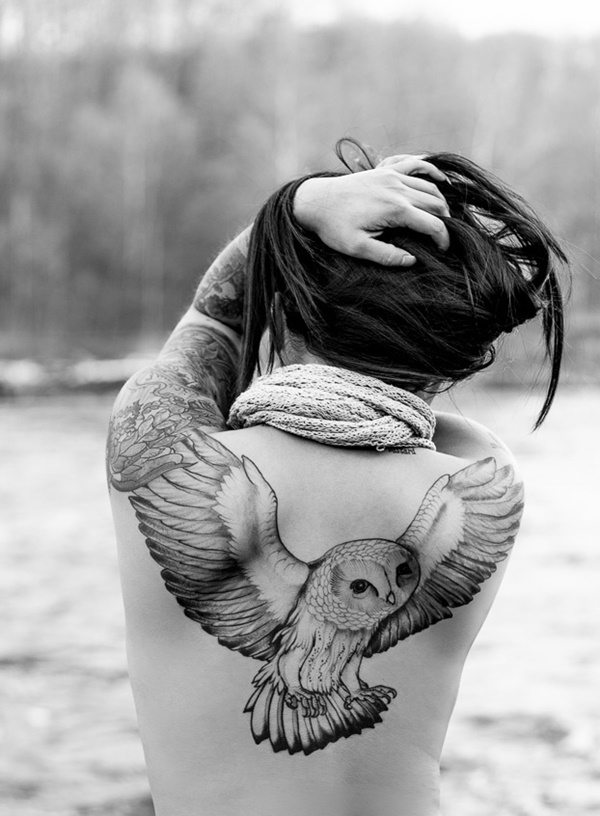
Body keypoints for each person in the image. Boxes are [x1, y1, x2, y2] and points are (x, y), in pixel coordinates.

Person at [107, 144, 565, 816]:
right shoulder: (484, 475)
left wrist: (294, 210)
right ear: (452, 358)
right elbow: (416, 414)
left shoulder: (165, 451)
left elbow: (213, 323)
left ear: (284, 309)